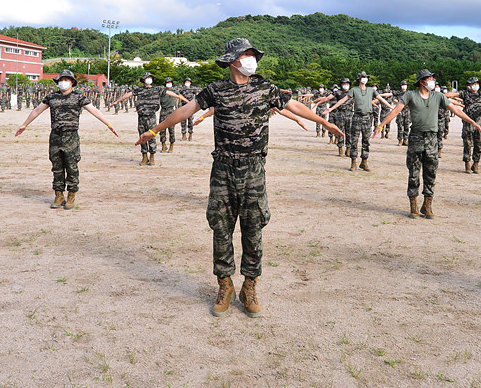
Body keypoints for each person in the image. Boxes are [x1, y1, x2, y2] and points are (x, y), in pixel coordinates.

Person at [135, 38, 343, 318]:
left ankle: (250, 286)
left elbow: (293, 106)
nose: (251, 59)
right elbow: (186, 110)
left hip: (254, 169)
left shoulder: (265, 87)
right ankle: (224, 284)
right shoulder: (216, 90)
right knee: (221, 228)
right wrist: (155, 130)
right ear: (232, 60)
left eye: (252, 55)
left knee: (253, 227)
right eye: (246, 55)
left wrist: (324, 122)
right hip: (223, 169)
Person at [374, 69, 481, 219]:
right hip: (416, 138)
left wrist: (473, 122)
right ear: (421, 81)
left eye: (432, 77)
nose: (432, 80)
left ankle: (427, 205)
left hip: (432, 139)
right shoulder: (410, 95)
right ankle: (414, 204)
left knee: (431, 173)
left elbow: (456, 110)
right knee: (414, 173)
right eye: (429, 78)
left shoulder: (438, 96)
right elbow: (395, 111)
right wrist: (381, 125)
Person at [16, 70, 118, 210]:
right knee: (57, 168)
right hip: (56, 137)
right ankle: (58, 196)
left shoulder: (78, 97)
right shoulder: (52, 97)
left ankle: (71, 195)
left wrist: (109, 124)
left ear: (72, 82)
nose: (63, 82)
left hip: (71, 137)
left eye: (66, 79)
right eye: (61, 79)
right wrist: (24, 125)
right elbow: (37, 110)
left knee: (72, 167)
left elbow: (94, 110)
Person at [112, 72, 187, 165]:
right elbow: (128, 95)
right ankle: (144, 156)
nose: (149, 79)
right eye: (147, 77)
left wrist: (184, 99)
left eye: (150, 77)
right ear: (143, 80)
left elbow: (171, 93)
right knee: (142, 137)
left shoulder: (157, 89)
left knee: (151, 136)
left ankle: (152, 156)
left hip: (151, 116)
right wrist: (117, 101)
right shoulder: (139, 89)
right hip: (141, 116)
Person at [324, 71, 393, 171]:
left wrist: (392, 107)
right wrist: (331, 109)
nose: (365, 79)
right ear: (359, 79)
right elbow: (342, 100)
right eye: (363, 77)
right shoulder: (354, 90)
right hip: (356, 117)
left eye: (366, 77)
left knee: (366, 141)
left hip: (367, 118)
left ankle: (364, 162)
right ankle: (353, 162)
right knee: (354, 141)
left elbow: (381, 99)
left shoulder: (371, 90)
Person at [159, 77, 188, 152]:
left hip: (171, 111)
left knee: (171, 129)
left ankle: (171, 145)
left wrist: (187, 101)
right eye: (167, 82)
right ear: (165, 84)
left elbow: (180, 96)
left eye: (170, 82)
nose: (169, 84)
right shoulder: (162, 91)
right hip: (163, 110)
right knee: (162, 129)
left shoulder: (175, 91)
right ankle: (163, 145)